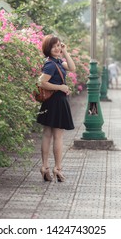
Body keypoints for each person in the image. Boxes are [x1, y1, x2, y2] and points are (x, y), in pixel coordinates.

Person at [37, 35, 76, 182]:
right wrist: (61, 87)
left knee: (47, 134)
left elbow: (72, 67)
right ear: (48, 48)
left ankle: (45, 167)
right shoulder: (51, 64)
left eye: (59, 45)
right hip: (56, 101)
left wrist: (65, 51)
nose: (57, 48)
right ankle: (57, 168)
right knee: (57, 136)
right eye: (54, 46)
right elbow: (42, 82)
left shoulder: (57, 62)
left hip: (52, 102)